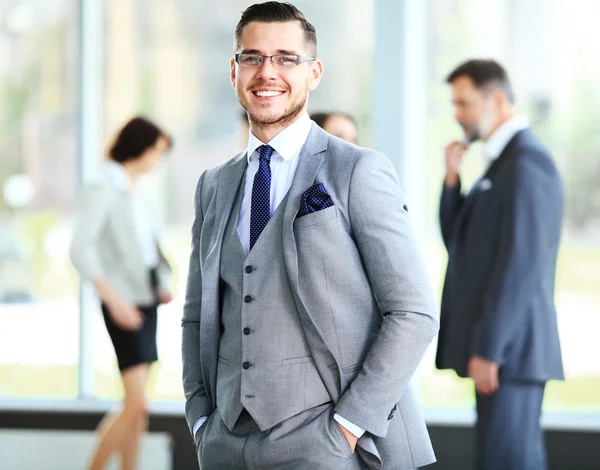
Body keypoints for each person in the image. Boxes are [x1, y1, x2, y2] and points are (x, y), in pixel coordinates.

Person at [181, 2, 438, 469]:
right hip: (224, 444)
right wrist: (200, 416)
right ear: (234, 71)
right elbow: (197, 314)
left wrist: (348, 427)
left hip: (327, 446)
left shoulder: (357, 170)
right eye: (252, 57)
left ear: (314, 72)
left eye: (285, 58)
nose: (267, 72)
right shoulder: (213, 185)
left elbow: (413, 311)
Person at [435, 59, 564, 470]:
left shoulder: (527, 162)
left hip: (510, 352)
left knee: (511, 460)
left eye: (464, 103)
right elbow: (461, 243)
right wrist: (452, 180)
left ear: (498, 100)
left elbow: (521, 267)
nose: (457, 114)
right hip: (499, 350)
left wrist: (490, 349)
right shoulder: (500, 162)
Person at [70, 116, 173, 470]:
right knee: (137, 403)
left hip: (146, 300)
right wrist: (113, 299)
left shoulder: (138, 189)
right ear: (140, 147)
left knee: (137, 409)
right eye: (157, 152)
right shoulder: (103, 186)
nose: (159, 160)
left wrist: (161, 283)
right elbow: (81, 249)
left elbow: (147, 248)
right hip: (123, 303)